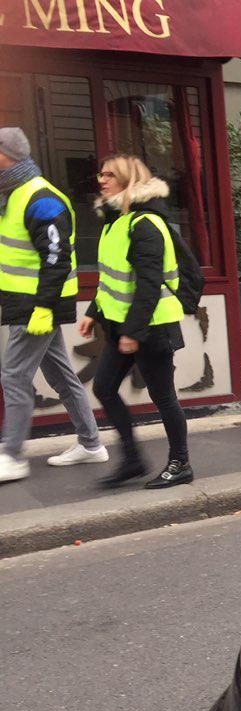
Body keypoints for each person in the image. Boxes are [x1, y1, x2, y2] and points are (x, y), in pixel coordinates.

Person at [0, 126, 107, 483]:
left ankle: (12, 455)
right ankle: (91, 444)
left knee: (14, 375)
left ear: (7, 156)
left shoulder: (41, 199)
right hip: (25, 302)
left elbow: (56, 260)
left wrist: (43, 308)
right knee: (60, 374)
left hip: (36, 305)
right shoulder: (13, 193)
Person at [83, 154, 192, 489]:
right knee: (104, 388)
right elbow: (113, 280)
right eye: (101, 174)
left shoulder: (145, 224)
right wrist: (93, 312)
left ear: (128, 180)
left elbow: (148, 284)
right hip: (123, 326)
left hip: (152, 328)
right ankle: (133, 461)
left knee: (163, 397)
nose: (102, 180)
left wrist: (134, 332)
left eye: (110, 175)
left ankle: (180, 464)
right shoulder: (115, 221)